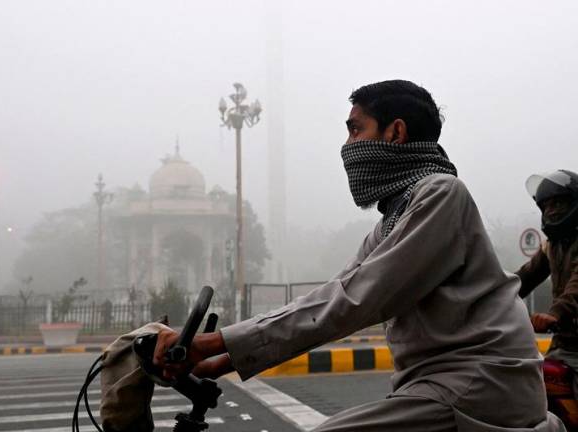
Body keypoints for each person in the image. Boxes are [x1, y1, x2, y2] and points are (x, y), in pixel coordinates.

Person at [154, 80, 564, 431]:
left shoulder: (440, 194)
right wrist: (214, 361)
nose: (347, 145)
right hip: (435, 386)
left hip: (480, 385)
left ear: (395, 132)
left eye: (355, 129)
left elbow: (356, 299)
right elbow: (332, 296)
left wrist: (212, 343)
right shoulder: (393, 218)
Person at [517, 169, 578, 390]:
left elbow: (575, 289)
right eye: (546, 206)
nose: (551, 211)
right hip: (564, 343)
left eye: (558, 203)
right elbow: (522, 278)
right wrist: (486, 296)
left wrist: (554, 314)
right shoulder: (551, 246)